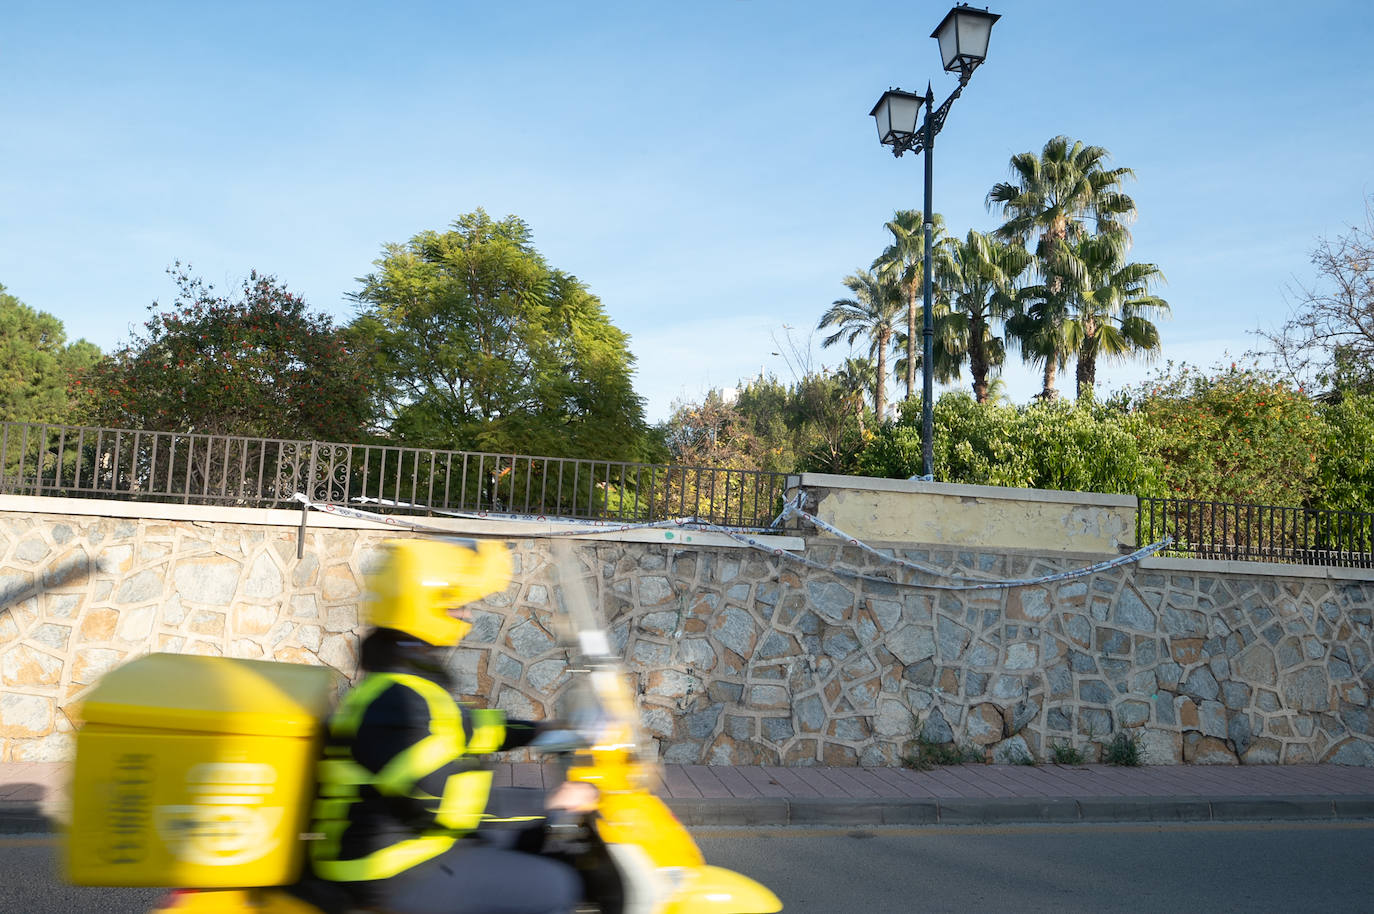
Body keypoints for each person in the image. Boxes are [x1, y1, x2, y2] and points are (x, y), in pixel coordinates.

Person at [306, 537, 595, 914]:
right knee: (558, 885)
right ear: (427, 607)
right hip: (391, 869)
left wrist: (541, 731)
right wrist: (548, 803)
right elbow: (440, 798)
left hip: (411, 850)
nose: (467, 616)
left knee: (537, 843)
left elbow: (465, 728)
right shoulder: (396, 700)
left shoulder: (403, 681)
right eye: (457, 605)